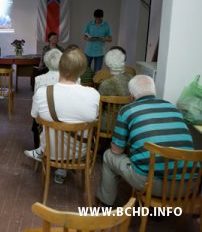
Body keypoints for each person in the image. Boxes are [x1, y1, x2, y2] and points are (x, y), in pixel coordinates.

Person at [96, 75, 195, 207]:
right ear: (154, 91)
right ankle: (157, 210)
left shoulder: (127, 110)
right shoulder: (172, 107)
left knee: (109, 155)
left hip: (154, 185)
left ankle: (106, 203)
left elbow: (116, 150)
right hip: (191, 185)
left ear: (131, 96)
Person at [25, 47, 100, 184]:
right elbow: (92, 120)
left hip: (50, 151)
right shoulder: (93, 94)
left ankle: (40, 151)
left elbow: (36, 119)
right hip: (80, 154)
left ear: (59, 66)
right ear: (83, 70)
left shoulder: (42, 92)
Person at [30, 49, 63, 148]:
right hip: (64, 117)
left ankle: (38, 148)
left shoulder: (39, 79)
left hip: (45, 118)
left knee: (35, 121)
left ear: (46, 62)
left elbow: (35, 105)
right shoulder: (71, 79)